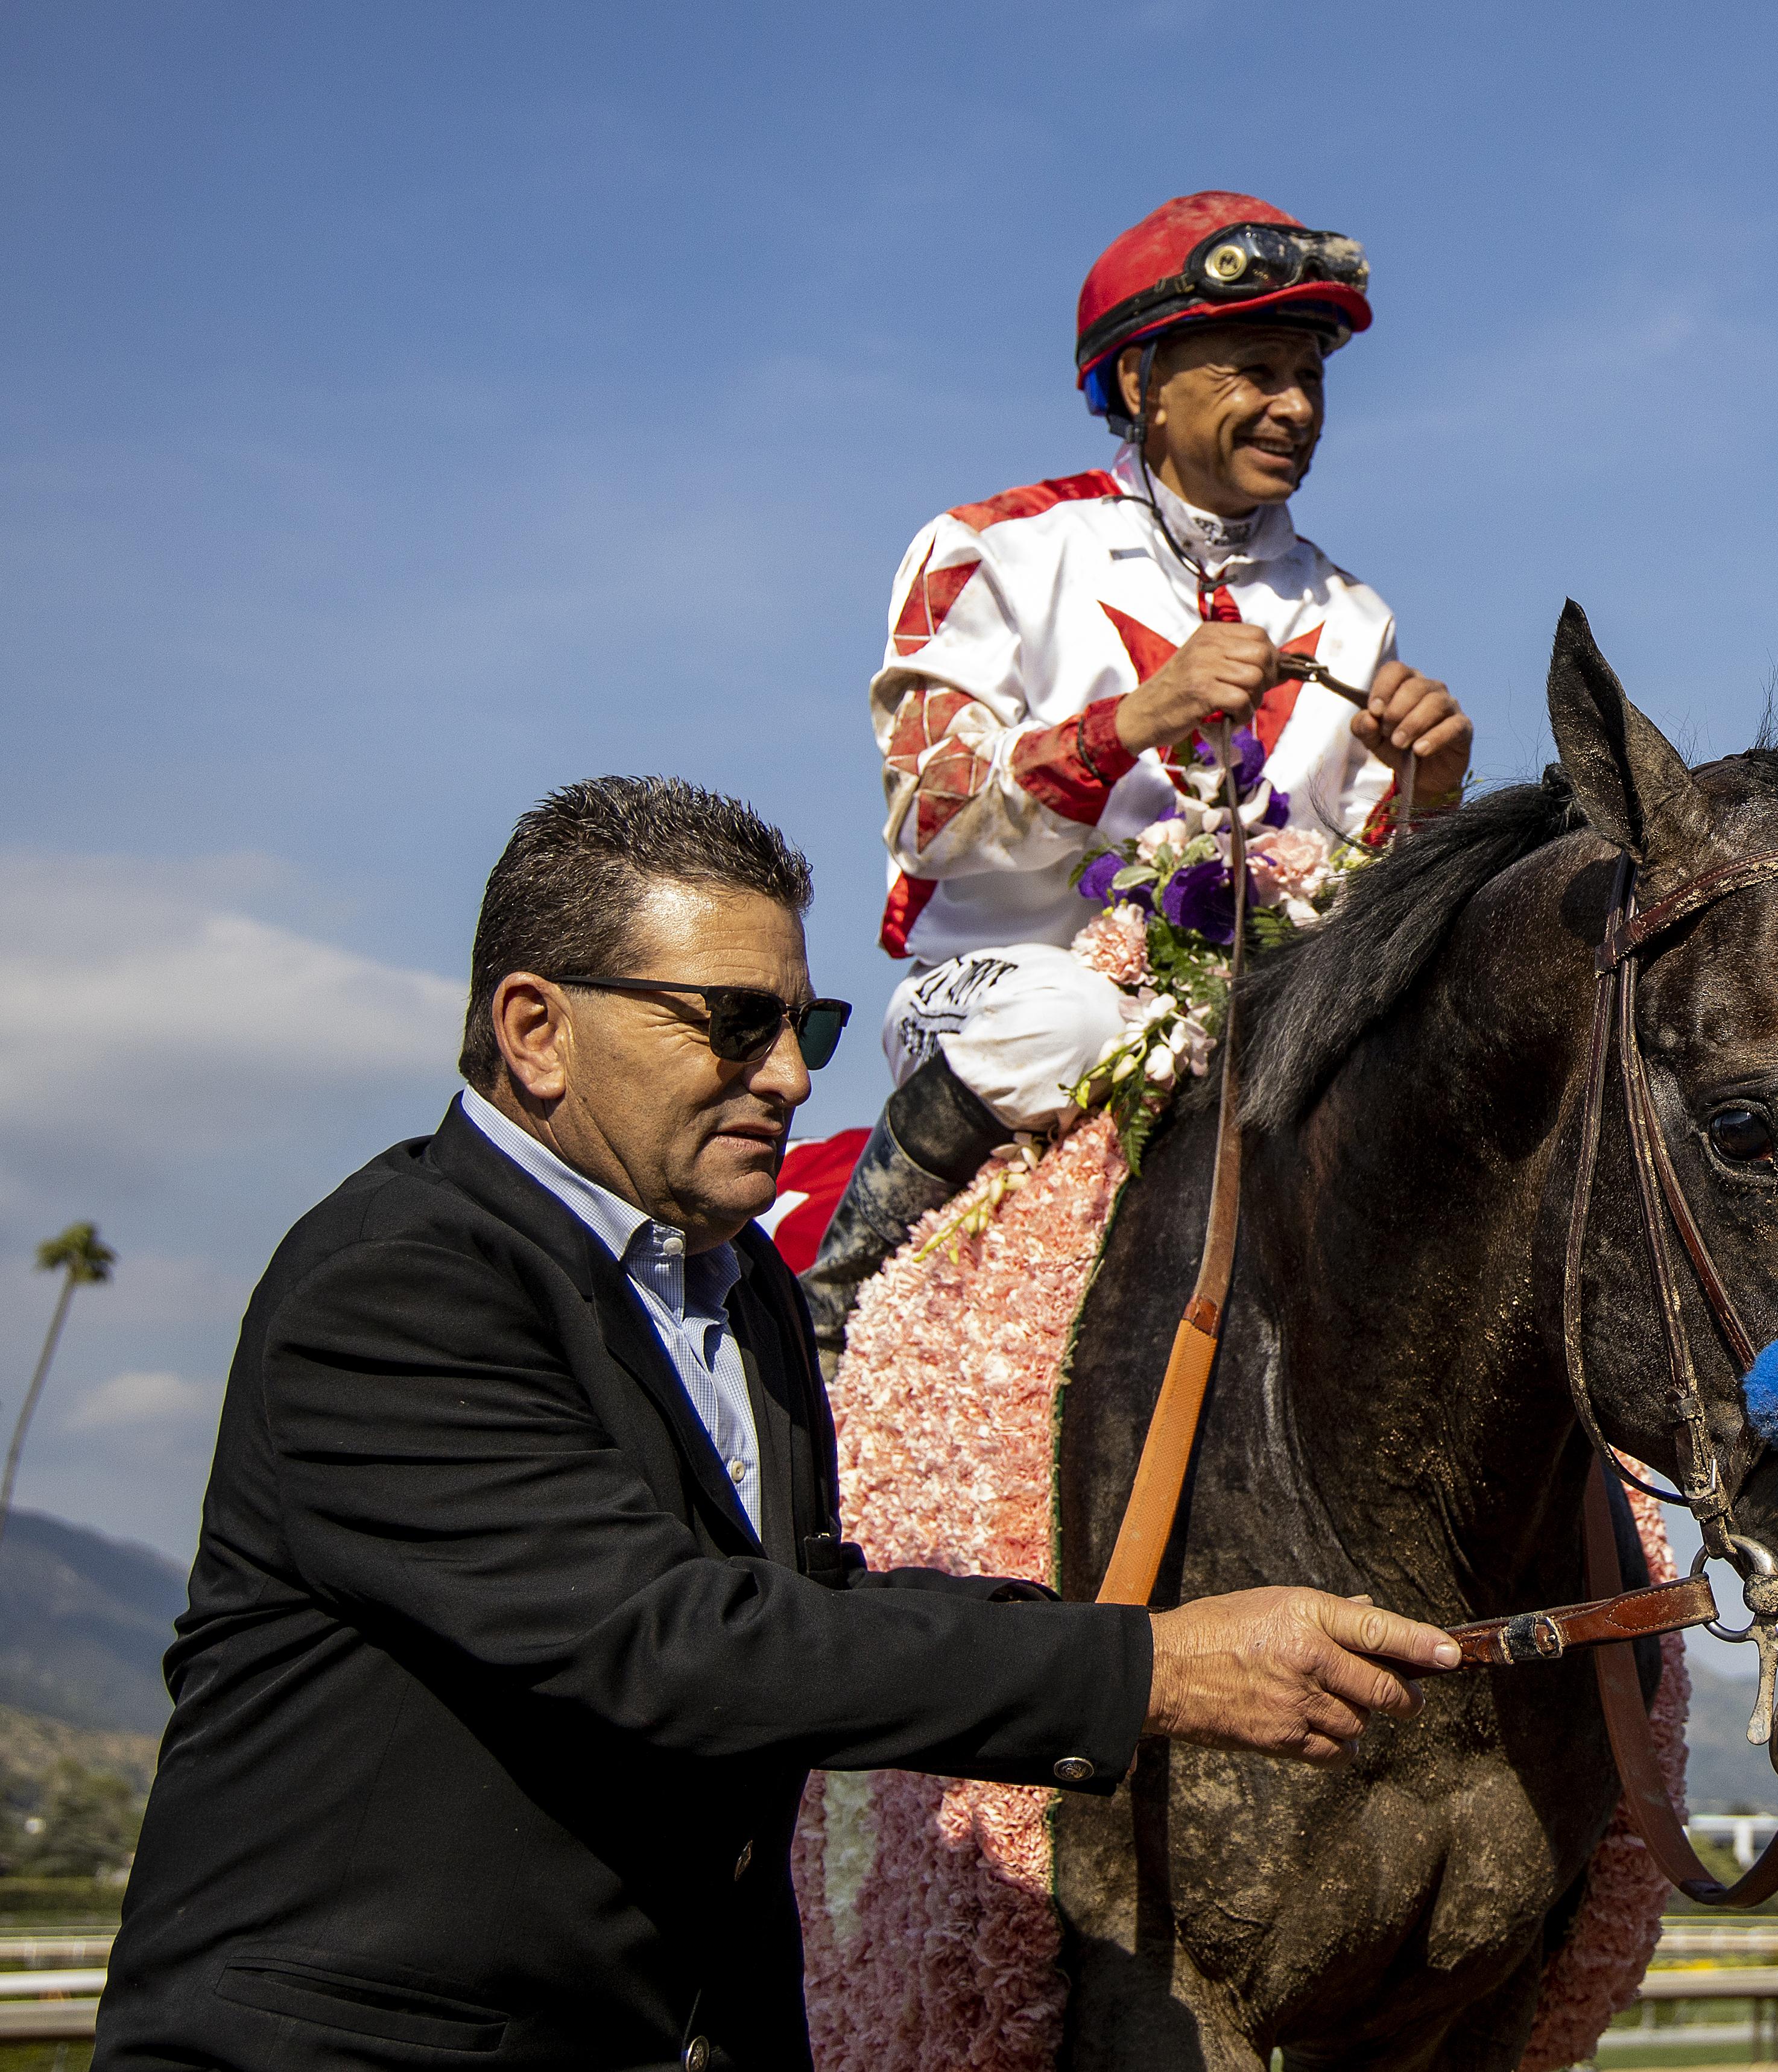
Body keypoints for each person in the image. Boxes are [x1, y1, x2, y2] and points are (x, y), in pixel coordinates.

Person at [96, 777, 1460, 2072]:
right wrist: (1149, 1670)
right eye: (735, 1023)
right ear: (534, 1029)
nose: (795, 1079)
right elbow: (676, 1643)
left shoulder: (736, 1281)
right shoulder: (395, 1283)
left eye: (808, 1027)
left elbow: (802, 1603)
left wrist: (1158, 1633)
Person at [800, 190, 1475, 1356]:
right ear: (1139, 381)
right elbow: (929, 815)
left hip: (1246, 1021)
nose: (1296, 406)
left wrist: (1432, 794)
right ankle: (832, 1302)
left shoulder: (1355, 613)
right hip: (995, 1000)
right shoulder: (991, 549)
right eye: (1256, 371)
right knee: (1067, 1016)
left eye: (1311, 376)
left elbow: (1359, 904)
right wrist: (1132, 722)